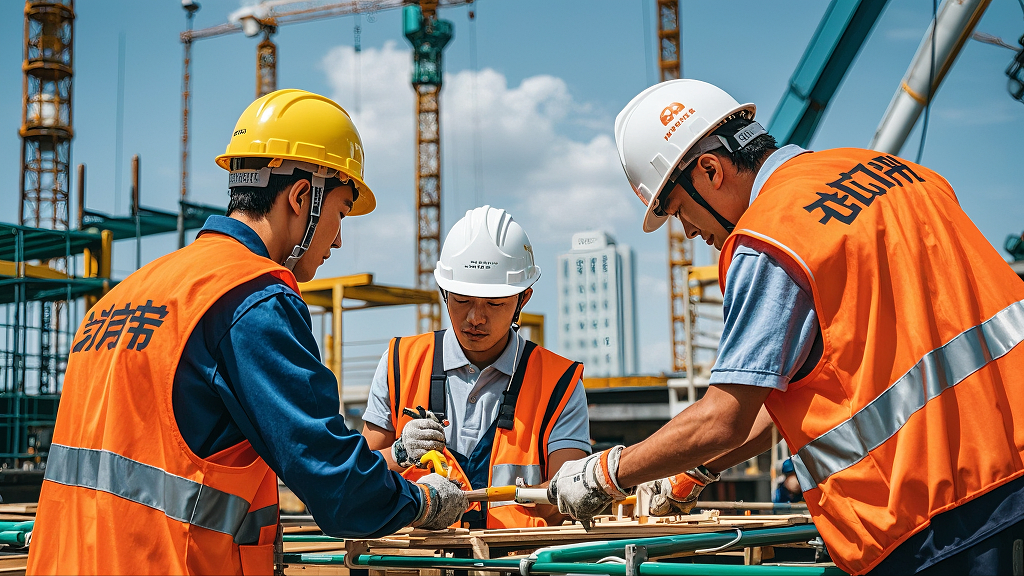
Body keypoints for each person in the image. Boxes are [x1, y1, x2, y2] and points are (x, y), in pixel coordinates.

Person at [546, 79, 1024, 575]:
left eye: (677, 211)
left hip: (936, 522)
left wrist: (605, 474)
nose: (687, 231)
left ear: (709, 171)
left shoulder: (771, 236)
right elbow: (816, 393)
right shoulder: (892, 172)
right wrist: (697, 468)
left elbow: (723, 417)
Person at [27, 89, 467, 575]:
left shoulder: (124, 296)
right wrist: (423, 502)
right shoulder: (252, 299)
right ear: (302, 198)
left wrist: (394, 454)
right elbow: (338, 488)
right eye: (341, 213)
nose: (339, 238)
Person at [361, 205, 591, 528]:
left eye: (494, 304)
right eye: (462, 300)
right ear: (444, 292)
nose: (475, 318)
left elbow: (568, 500)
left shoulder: (559, 384)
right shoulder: (400, 364)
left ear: (522, 299)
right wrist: (400, 453)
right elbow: (358, 480)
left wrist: (523, 496)